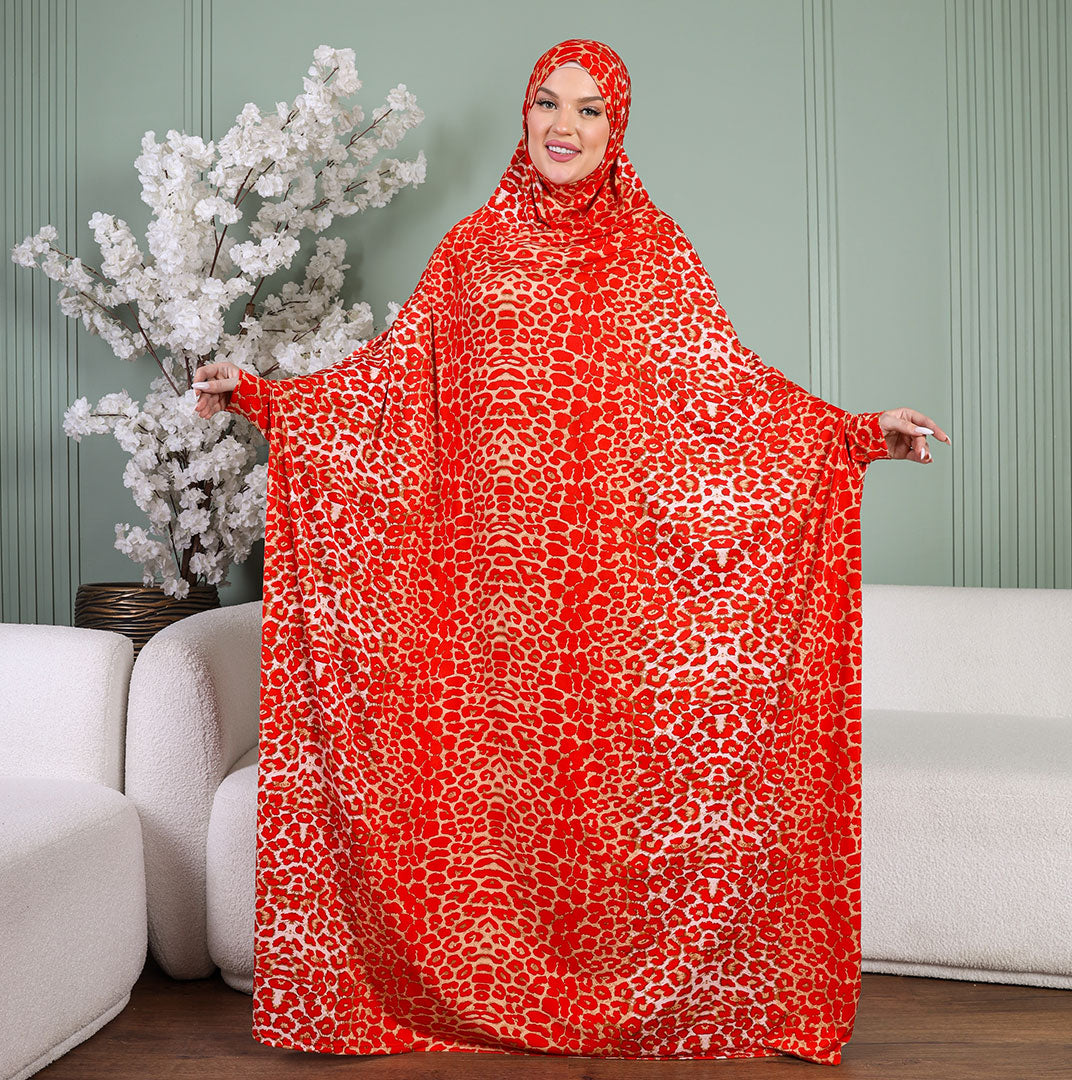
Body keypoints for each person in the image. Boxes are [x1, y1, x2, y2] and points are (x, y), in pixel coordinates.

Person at [191, 40, 949, 1066]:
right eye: (548, 102)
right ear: (526, 113)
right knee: (483, 821)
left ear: (616, 126)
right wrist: (265, 400)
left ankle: (634, 1002)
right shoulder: (473, 250)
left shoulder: (657, 255)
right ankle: (459, 994)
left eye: (590, 109)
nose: (564, 125)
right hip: (485, 607)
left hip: (615, 602)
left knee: (612, 825)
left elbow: (728, 396)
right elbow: (390, 386)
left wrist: (854, 435)